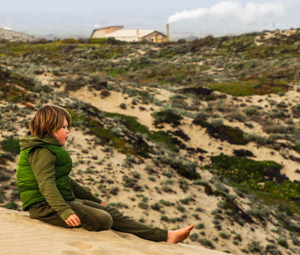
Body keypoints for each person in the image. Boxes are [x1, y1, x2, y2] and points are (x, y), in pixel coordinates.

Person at [16, 104, 194, 243]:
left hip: (60, 201)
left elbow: (65, 182)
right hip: (43, 207)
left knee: (111, 211)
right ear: (49, 128)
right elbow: (46, 185)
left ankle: (166, 236)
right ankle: (163, 236)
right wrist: (64, 211)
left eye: (67, 126)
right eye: (63, 127)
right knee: (104, 219)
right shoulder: (41, 151)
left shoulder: (50, 148)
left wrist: (94, 199)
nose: (68, 131)